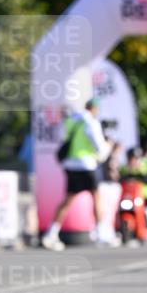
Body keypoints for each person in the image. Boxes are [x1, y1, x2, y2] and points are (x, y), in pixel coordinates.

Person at [42, 97, 116, 250]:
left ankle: (52, 232)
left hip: (70, 164)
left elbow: (63, 137)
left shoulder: (71, 120)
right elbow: (99, 148)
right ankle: (101, 233)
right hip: (86, 164)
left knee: (68, 199)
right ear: (94, 109)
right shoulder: (91, 122)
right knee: (96, 197)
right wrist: (108, 146)